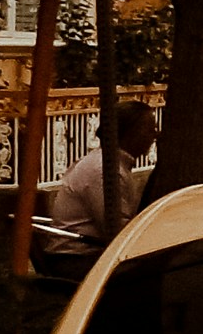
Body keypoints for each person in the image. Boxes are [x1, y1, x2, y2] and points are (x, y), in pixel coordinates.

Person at [46, 101, 155, 247]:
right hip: (80, 254)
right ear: (131, 131)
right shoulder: (105, 170)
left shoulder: (113, 164)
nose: (155, 135)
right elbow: (118, 229)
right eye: (149, 129)